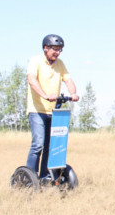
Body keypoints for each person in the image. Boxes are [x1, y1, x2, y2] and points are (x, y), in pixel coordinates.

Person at [25, 34, 79, 180]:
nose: (57, 53)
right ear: (46, 48)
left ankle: (44, 176)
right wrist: (44, 95)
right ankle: (29, 176)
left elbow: (68, 80)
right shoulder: (35, 60)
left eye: (60, 50)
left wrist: (73, 93)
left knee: (50, 146)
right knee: (38, 144)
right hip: (37, 110)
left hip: (53, 111)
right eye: (55, 49)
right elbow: (31, 79)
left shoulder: (60, 64)